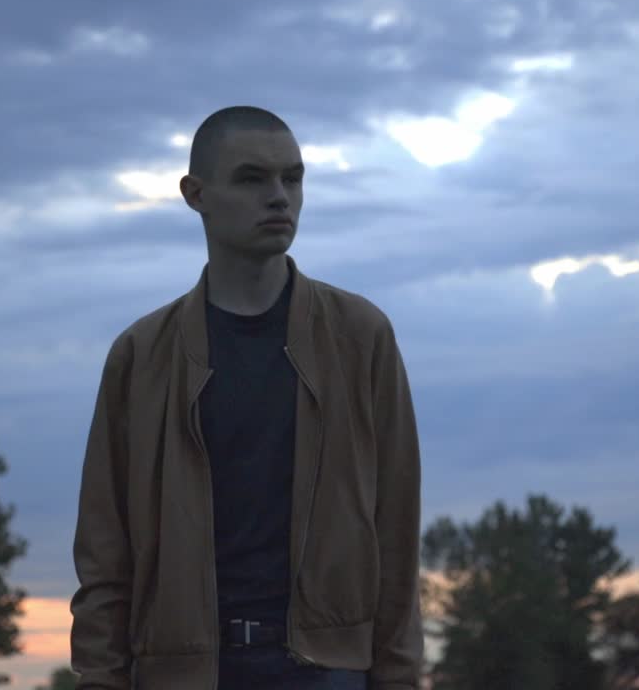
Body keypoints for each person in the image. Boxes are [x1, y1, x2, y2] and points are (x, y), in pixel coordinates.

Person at [70, 106, 424, 689]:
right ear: (196, 194)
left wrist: (399, 677)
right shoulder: (141, 355)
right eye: (253, 178)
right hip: (185, 672)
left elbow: (396, 532)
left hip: (327, 670)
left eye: (293, 177)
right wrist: (101, 679)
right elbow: (105, 553)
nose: (280, 197)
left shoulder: (360, 337)